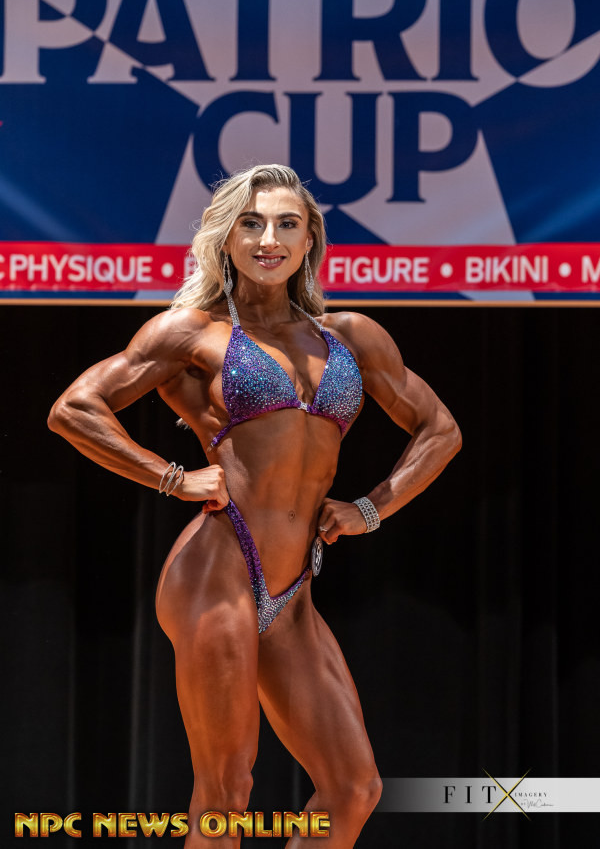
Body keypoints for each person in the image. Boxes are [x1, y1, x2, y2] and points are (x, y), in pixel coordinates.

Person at [48, 164, 461, 847]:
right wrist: (172, 478)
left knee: (353, 789)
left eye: (286, 224)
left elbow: (440, 430)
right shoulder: (192, 332)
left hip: (292, 591)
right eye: (252, 223)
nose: (269, 239)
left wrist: (369, 509)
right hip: (218, 572)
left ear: (309, 240)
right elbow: (74, 408)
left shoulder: (350, 336)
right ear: (227, 237)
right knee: (226, 791)